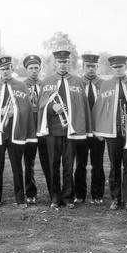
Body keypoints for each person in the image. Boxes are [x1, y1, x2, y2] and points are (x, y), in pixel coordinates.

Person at [0, 56, 37, 209]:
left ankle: (20, 198)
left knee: (17, 166)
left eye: (8, 68)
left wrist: (13, 112)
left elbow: (27, 109)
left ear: (12, 69)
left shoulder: (21, 86)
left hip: (15, 133)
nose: (5, 71)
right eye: (2, 69)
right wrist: (0, 112)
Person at [36, 50, 91, 209]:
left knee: (68, 164)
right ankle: (54, 196)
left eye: (65, 62)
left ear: (69, 63)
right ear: (55, 63)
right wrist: (53, 108)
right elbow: (41, 105)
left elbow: (83, 106)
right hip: (53, 131)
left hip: (70, 131)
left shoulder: (78, 82)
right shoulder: (47, 81)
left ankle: (67, 197)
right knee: (53, 165)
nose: (63, 64)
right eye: (60, 62)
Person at [92, 55, 127, 210]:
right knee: (114, 166)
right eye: (115, 67)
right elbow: (100, 107)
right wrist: (99, 129)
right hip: (113, 132)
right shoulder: (106, 85)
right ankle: (116, 198)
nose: (118, 70)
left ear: (126, 67)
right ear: (112, 69)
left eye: (121, 67)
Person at [74, 53, 106, 205]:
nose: (91, 69)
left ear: (97, 67)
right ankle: (79, 194)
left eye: (93, 66)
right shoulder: (77, 83)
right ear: (83, 67)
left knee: (97, 164)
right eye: (88, 66)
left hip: (98, 131)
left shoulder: (104, 85)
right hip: (81, 130)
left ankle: (97, 194)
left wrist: (104, 130)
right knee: (80, 163)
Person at [22, 54, 50, 204]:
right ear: (26, 69)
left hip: (44, 128)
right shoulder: (21, 86)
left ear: (40, 69)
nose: (34, 71)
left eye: (36, 68)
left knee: (48, 161)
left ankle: (53, 191)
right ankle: (30, 192)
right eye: (31, 68)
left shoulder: (45, 84)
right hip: (29, 129)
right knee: (29, 162)